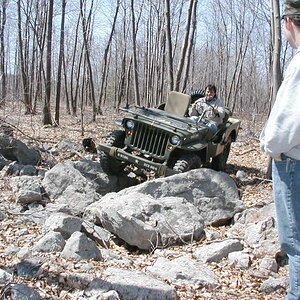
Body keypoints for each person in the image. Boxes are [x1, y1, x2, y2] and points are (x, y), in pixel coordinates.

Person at [260, 1, 300, 299]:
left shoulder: (298, 64)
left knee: (295, 243)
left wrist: (270, 146)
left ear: (288, 22)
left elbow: (286, 122)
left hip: (292, 163)